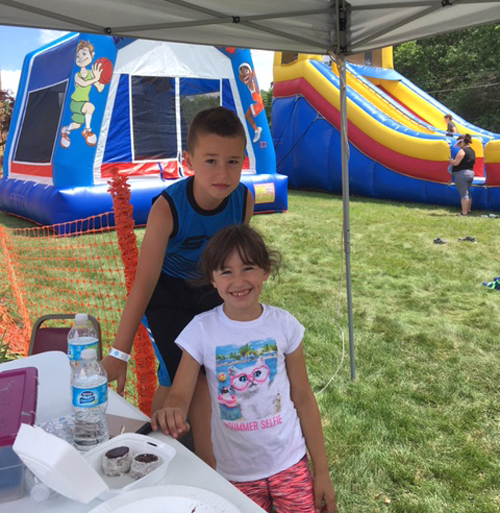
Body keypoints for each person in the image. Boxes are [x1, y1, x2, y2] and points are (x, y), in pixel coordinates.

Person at [101, 107, 254, 466]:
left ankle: (169, 451)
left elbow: (235, 259)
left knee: (199, 374)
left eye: (233, 162)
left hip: (209, 289)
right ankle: (201, 464)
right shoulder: (167, 208)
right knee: (191, 374)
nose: (222, 173)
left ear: (244, 162)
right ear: (188, 162)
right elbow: (144, 281)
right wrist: (118, 355)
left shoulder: (242, 199)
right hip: (167, 293)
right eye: (211, 160)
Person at [152, 225, 336, 513]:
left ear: (265, 270)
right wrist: (172, 409)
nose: (238, 281)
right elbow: (180, 394)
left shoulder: (285, 325)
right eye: (226, 271)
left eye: (248, 268)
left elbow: (303, 397)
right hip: (233, 474)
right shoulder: (200, 330)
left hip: (290, 463)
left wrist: (321, 472)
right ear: (212, 280)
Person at [450, 133, 475, 215]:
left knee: (464, 194)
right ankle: (468, 210)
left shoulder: (462, 151)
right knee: (467, 193)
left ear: (462, 142)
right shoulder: (472, 151)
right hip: (470, 172)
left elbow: (456, 163)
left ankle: (464, 212)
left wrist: (451, 161)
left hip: (462, 174)